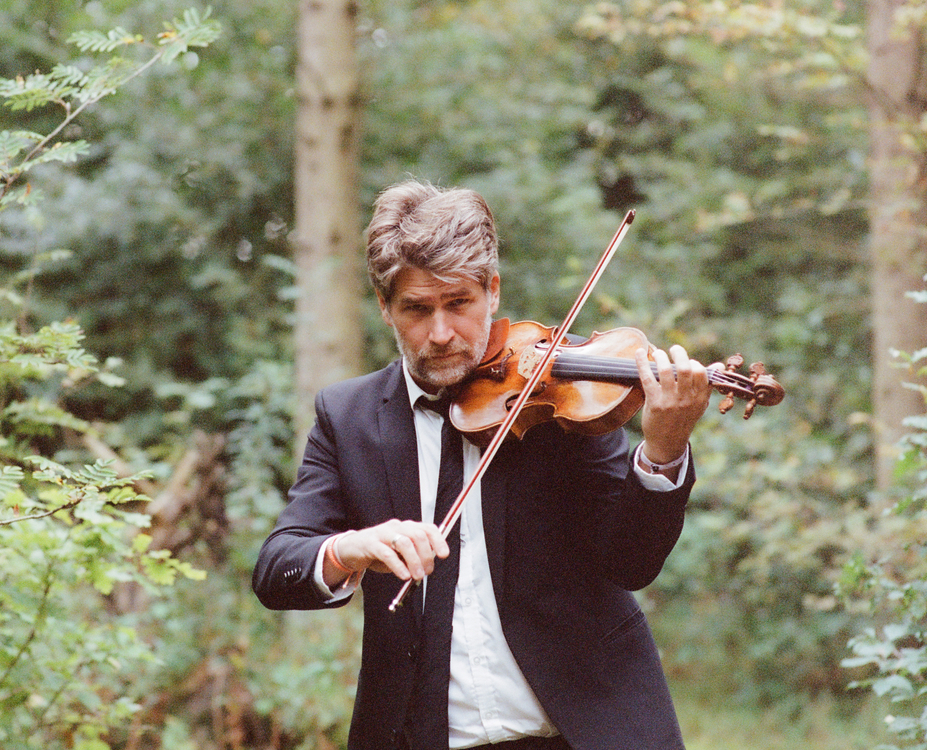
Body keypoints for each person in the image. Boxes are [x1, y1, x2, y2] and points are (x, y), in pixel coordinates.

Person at [252, 180, 713, 750]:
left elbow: (631, 561)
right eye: (417, 309)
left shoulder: (559, 394)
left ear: (492, 290)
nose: (441, 334)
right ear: (384, 307)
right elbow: (276, 569)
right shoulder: (347, 418)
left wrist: (663, 451)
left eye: (459, 303)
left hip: (582, 732)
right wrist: (350, 548)